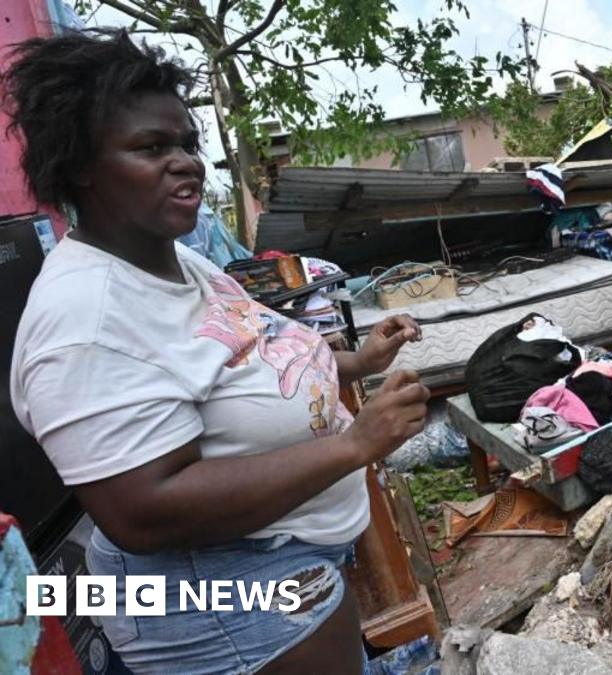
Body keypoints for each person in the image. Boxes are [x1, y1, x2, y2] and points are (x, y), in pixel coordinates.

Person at [4, 30, 429, 674]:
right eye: (151, 147)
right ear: (82, 164)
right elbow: (142, 512)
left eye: (187, 144)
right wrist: (354, 445)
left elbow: (250, 356)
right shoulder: (85, 322)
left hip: (280, 552)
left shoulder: (175, 260)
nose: (186, 162)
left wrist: (359, 363)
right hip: (226, 593)